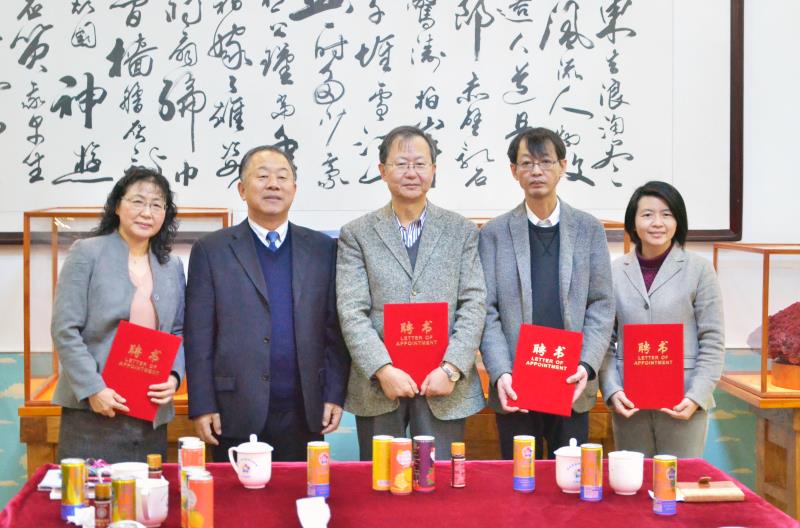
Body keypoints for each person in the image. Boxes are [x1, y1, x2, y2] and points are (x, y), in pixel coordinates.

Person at [184, 145, 349, 462]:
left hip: (305, 409)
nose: (273, 184)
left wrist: (333, 394)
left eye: (282, 177)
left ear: (294, 189)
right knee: (238, 494)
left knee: (301, 490)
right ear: (242, 189)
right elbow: (198, 336)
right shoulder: (212, 250)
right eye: (262, 177)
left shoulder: (323, 249)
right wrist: (202, 404)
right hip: (234, 409)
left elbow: (335, 329)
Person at [336, 125, 486, 461]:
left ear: (433, 170)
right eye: (401, 164)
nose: (411, 172)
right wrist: (382, 369)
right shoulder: (357, 234)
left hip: (444, 385)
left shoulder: (461, 230)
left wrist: (451, 368)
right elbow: (351, 311)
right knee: (381, 480)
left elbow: (474, 303)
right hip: (379, 386)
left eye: (419, 164)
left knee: (440, 482)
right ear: (382, 171)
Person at [478, 127, 615, 460]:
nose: (536, 171)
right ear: (514, 171)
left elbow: (601, 303)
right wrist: (501, 371)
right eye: (527, 163)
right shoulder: (494, 233)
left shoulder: (588, 229)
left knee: (569, 481)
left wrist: (586, 364)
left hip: (571, 382)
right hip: (516, 385)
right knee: (519, 482)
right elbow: (486, 310)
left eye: (545, 161)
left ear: (562, 166)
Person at [51, 166, 185, 462]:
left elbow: (177, 331)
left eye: (157, 205)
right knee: (91, 490)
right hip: (93, 411)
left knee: (149, 490)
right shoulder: (87, 252)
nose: (147, 212)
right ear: (117, 206)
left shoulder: (171, 266)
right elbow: (65, 329)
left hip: (150, 413)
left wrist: (174, 377)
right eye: (137, 201)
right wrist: (93, 389)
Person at [599, 181, 724, 458]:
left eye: (667, 214)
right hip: (629, 402)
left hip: (684, 400)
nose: (657, 223)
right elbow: (604, 340)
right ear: (633, 222)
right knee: (633, 480)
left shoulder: (700, 269)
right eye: (647, 215)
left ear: (678, 221)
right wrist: (612, 390)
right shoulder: (614, 271)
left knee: (680, 479)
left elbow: (713, 339)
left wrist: (696, 395)